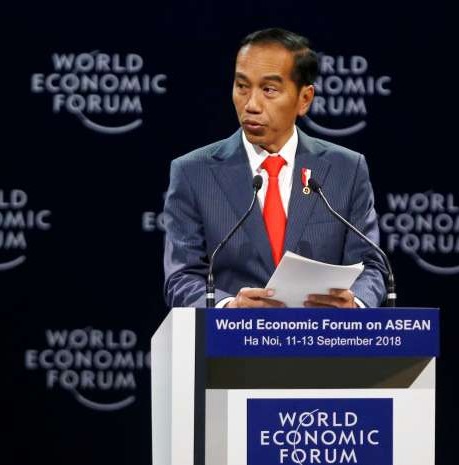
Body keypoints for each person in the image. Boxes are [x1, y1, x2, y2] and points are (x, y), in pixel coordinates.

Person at [163, 28, 386, 308]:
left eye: (268, 90)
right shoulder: (193, 172)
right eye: (242, 86)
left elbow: (372, 267)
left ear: (304, 99)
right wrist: (229, 307)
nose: (251, 104)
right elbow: (181, 278)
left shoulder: (346, 170)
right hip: (231, 345)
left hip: (321, 342)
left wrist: (355, 304)